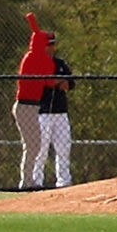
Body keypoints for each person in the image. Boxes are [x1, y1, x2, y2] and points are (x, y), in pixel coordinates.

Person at [13, 13, 58, 190]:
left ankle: (28, 180)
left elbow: (46, 81)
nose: (52, 48)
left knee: (35, 144)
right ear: (42, 45)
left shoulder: (43, 59)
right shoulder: (32, 58)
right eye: (49, 45)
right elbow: (47, 80)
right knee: (32, 144)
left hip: (32, 107)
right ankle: (26, 181)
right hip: (24, 106)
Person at [34, 41, 76, 188]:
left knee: (64, 147)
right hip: (43, 112)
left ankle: (64, 181)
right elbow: (44, 82)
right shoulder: (37, 62)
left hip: (61, 112)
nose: (51, 47)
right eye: (48, 44)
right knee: (41, 149)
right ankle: (36, 182)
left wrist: (61, 82)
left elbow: (69, 83)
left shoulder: (60, 63)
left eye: (52, 44)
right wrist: (57, 81)